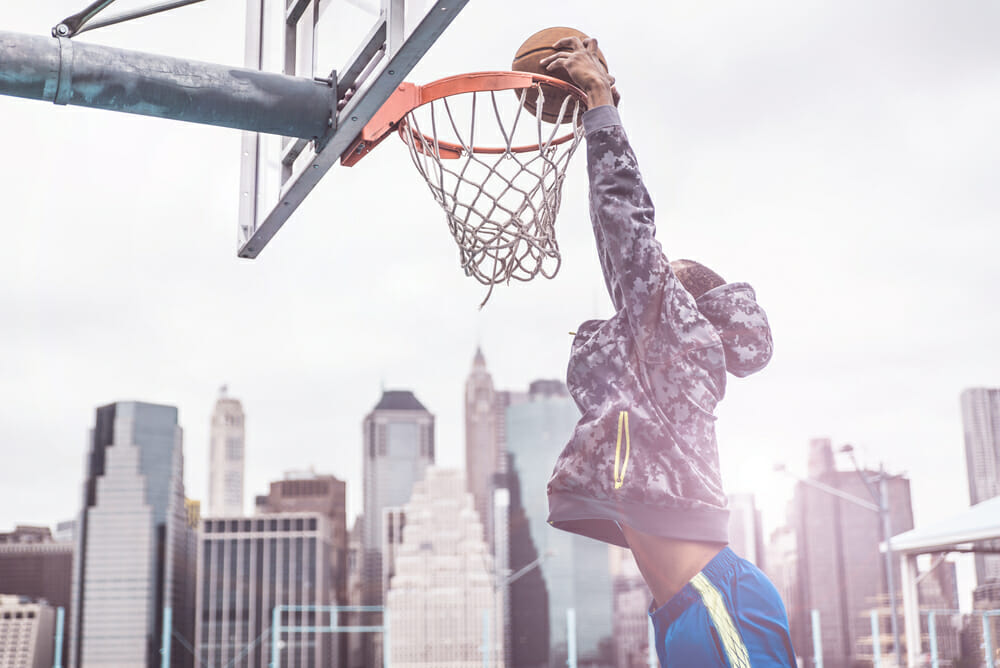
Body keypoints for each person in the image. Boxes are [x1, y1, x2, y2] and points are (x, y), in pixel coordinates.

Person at [539, 37, 796, 667]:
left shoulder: (679, 342)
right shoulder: (647, 358)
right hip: (680, 609)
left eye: (664, 280)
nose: (649, 286)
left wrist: (600, 106)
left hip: (716, 601)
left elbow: (626, 225)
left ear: (690, 312)